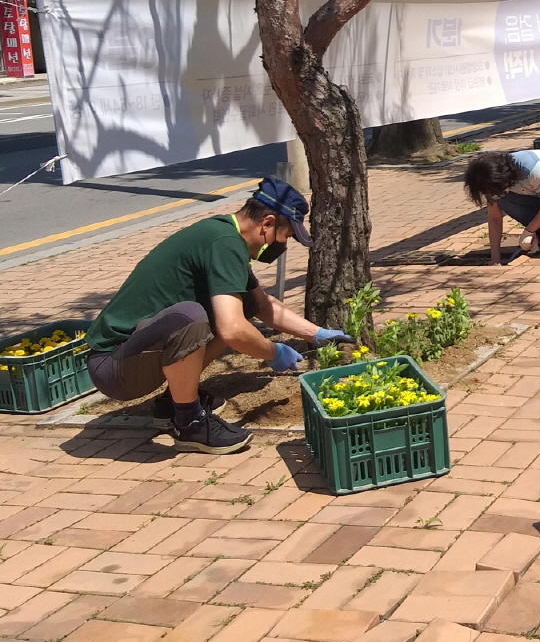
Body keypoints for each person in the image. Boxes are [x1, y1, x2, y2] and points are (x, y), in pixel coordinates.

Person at [85, 177, 350, 456]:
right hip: (114, 368)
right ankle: (190, 424)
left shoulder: (224, 237)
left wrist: (316, 333)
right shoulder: (224, 243)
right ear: (268, 223)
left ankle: (171, 405)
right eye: (285, 236)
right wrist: (272, 351)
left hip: (133, 355)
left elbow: (260, 303)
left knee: (239, 304)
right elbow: (233, 331)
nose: (283, 244)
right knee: (191, 317)